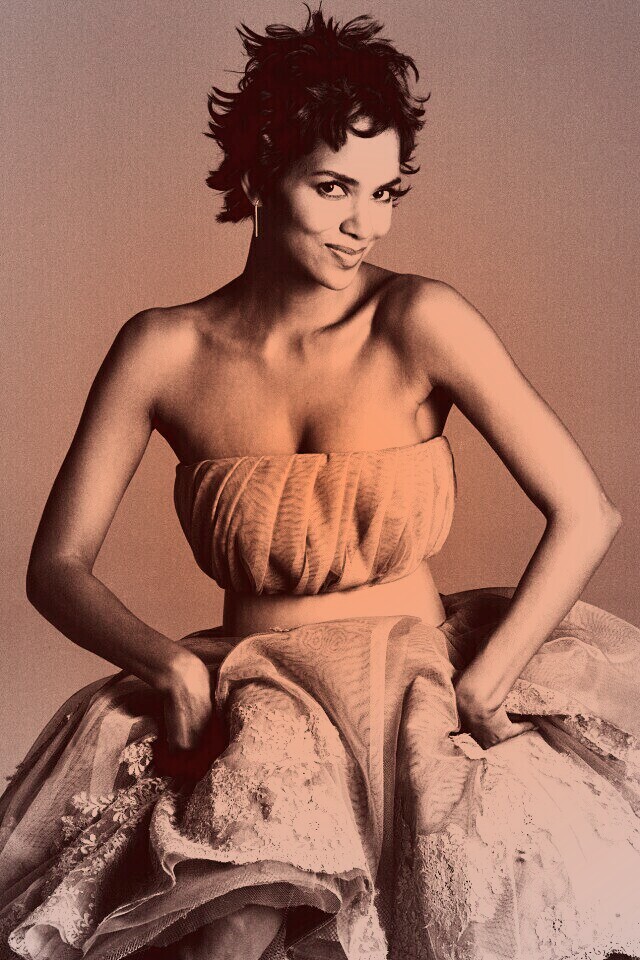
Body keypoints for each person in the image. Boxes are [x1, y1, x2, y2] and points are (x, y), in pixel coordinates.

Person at [1, 6, 639, 959]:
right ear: (259, 174)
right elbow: (56, 565)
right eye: (333, 186)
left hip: (418, 698)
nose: (361, 225)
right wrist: (171, 665)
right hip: (250, 700)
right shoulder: (162, 348)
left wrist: (483, 683)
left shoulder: (419, 318)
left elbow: (587, 512)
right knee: (225, 930)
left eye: (385, 193)